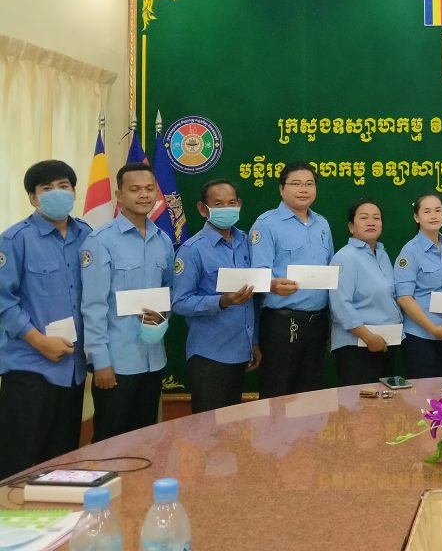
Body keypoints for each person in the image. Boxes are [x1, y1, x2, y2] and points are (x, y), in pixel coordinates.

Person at [0, 160, 89, 478]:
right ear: (33, 197)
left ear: (74, 192)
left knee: (61, 461)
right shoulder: (15, 240)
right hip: (30, 368)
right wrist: (39, 341)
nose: (57, 193)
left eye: (63, 186)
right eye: (46, 188)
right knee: (20, 462)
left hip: (73, 368)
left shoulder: (87, 235)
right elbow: (4, 301)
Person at [81, 163, 175, 441]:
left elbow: (168, 292)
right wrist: (100, 362)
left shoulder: (163, 241)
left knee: (145, 441)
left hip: (153, 358)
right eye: (135, 189)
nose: (144, 195)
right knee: (110, 442)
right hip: (116, 363)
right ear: (119, 195)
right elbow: (93, 306)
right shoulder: (101, 241)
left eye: (149, 189)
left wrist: (162, 318)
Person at [171, 180, 260, 413]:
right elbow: (179, 302)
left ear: (239, 205)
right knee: (208, 427)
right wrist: (221, 301)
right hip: (209, 355)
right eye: (218, 204)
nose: (226, 209)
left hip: (241, 352)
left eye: (231, 203)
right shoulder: (192, 250)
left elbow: (252, 299)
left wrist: (254, 342)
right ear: (203, 209)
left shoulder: (247, 242)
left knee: (232, 425)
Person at [249, 162, 333, 398]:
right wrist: (272, 284)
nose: (303, 189)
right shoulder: (266, 224)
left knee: (310, 396)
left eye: (309, 184)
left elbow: (330, 273)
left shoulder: (322, 224)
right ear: (281, 189)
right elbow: (257, 274)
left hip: (318, 323)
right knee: (278, 395)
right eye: (296, 184)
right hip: (282, 323)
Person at [329, 199, 403, 386]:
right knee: (358, 402)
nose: (371, 222)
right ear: (351, 226)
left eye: (376, 218)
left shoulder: (382, 254)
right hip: (357, 346)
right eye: (364, 218)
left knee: (384, 401)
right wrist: (369, 338)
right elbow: (340, 305)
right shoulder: (344, 257)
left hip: (386, 342)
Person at [395, 193, 442, 379]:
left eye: (438, 210)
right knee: (422, 392)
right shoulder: (410, 252)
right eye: (427, 211)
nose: (433, 216)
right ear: (417, 217)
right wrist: (433, 329)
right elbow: (404, 298)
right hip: (419, 336)